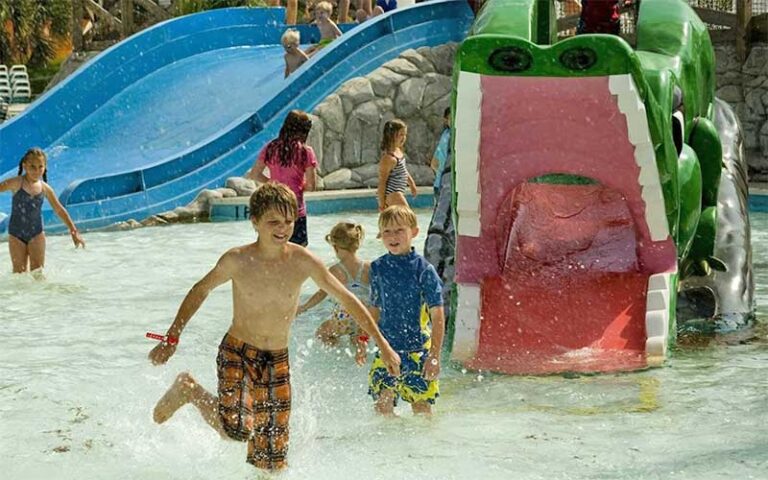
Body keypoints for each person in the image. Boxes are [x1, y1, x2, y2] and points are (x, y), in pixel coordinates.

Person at [148, 183, 400, 472]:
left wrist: (383, 344)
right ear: (254, 222)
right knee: (238, 429)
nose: (282, 228)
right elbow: (200, 290)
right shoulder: (237, 259)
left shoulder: (303, 261)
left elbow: (348, 299)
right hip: (238, 352)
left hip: (277, 361)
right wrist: (172, 336)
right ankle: (189, 389)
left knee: (273, 460)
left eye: (289, 221)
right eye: (273, 222)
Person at [363, 205, 444, 416]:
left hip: (418, 350)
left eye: (399, 230)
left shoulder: (424, 270)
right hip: (387, 349)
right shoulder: (378, 268)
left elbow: (437, 316)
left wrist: (434, 356)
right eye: (387, 231)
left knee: (421, 408)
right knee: (382, 407)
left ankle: (422, 448)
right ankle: (392, 448)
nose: (392, 236)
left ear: (414, 232)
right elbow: (375, 307)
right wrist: (363, 340)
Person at [0, 147, 85, 274]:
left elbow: (59, 209)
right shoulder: (16, 183)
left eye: (40, 167)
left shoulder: (45, 188)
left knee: (38, 273)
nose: (37, 170)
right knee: (18, 274)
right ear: (24, 166)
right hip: (16, 235)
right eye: (32, 167)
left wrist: (74, 231)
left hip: (37, 234)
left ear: (45, 167)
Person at [297, 221, 370, 362]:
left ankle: (339, 356)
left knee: (322, 333)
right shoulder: (369, 267)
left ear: (335, 247)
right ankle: (359, 349)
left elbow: (321, 293)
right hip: (364, 316)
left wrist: (304, 307)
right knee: (357, 337)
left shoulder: (335, 270)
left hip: (344, 317)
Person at [246, 110, 317, 246]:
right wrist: (299, 185)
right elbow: (311, 186)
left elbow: (254, 174)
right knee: (297, 253)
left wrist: (275, 184)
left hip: (273, 208)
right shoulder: (305, 152)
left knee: (273, 249)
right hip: (295, 211)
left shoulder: (270, 148)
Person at [377, 119, 418, 211]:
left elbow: (403, 170)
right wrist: (382, 203)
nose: (404, 138)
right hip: (393, 194)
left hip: (398, 193)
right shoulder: (388, 158)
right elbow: (382, 182)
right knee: (410, 221)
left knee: (402, 222)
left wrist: (412, 184)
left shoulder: (398, 151)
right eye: (401, 135)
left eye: (405, 135)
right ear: (391, 136)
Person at [430, 106, 451, 199]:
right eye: (451, 118)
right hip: (443, 183)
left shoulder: (446, 134)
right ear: (445, 120)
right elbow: (434, 163)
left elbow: (434, 163)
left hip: (442, 182)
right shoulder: (446, 135)